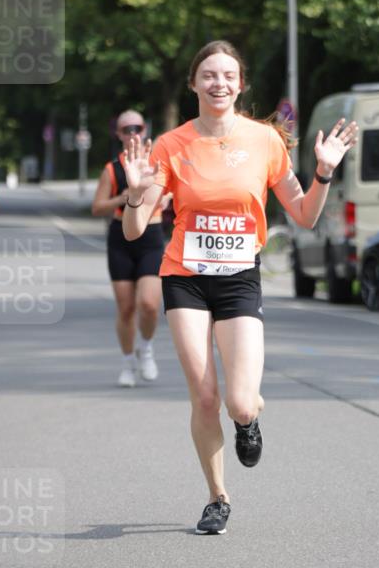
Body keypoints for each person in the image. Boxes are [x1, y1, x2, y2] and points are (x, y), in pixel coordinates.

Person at [121, 41, 358, 534]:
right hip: (184, 277)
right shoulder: (170, 145)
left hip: (238, 280)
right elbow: (134, 230)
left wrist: (325, 172)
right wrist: (136, 191)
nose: (218, 83)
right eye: (208, 75)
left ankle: (248, 423)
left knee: (240, 402)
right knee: (204, 397)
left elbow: (306, 215)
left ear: (241, 84)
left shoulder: (265, 141)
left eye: (228, 75)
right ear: (193, 85)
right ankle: (217, 498)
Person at [92, 110, 165, 386]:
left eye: (137, 127)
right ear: (119, 134)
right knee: (125, 308)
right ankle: (127, 363)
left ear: (145, 129)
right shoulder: (112, 169)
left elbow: (175, 191)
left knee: (148, 304)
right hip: (121, 237)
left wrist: (167, 198)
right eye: (126, 129)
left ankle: (145, 348)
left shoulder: (159, 163)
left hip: (151, 235)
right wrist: (121, 198)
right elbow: (97, 207)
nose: (132, 132)